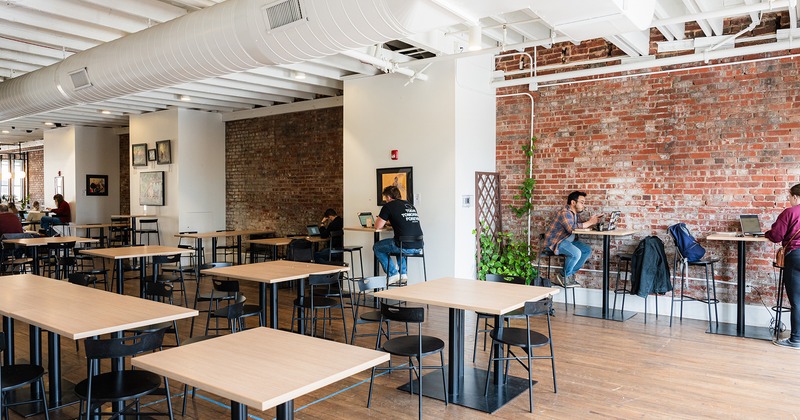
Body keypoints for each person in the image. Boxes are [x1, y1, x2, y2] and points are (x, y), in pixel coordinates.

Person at [766, 183, 800, 349]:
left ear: (795, 196)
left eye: (789, 196)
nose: (789, 199)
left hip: (796, 256)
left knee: (796, 300)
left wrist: (766, 233)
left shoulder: (790, 212)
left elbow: (776, 236)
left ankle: (796, 339)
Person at [543, 191, 601, 287]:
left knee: (586, 250)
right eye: (582, 202)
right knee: (576, 253)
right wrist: (590, 222)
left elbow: (581, 226)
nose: (584, 205)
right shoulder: (565, 213)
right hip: (556, 242)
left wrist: (592, 222)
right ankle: (564, 276)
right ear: (573, 202)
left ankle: (567, 275)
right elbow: (571, 228)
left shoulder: (575, 214)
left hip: (568, 241)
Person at [373, 185, 423, 283]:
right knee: (397, 242)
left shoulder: (388, 206)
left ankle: (393, 274)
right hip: (419, 245)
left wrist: (382, 221)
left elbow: (377, 226)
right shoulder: (409, 205)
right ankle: (403, 273)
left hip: (404, 245)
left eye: (385, 198)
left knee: (377, 247)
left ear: (388, 197)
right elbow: (404, 221)